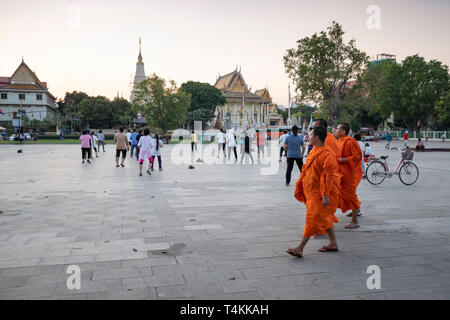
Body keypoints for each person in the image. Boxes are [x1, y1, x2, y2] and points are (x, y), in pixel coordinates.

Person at [287, 127, 340, 258]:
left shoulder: (328, 153)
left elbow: (329, 176)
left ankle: (300, 248)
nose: (308, 137)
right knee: (322, 217)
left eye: (310, 135)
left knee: (312, 218)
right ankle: (333, 243)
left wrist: (326, 194)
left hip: (320, 193)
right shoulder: (314, 150)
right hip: (310, 191)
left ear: (317, 138)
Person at [335, 123, 362, 228]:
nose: (335, 130)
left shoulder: (350, 141)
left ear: (343, 131)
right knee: (341, 195)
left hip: (348, 174)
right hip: (339, 173)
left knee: (351, 196)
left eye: (337, 129)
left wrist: (344, 159)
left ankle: (355, 221)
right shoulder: (339, 141)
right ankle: (355, 209)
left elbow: (357, 156)